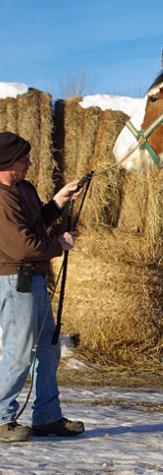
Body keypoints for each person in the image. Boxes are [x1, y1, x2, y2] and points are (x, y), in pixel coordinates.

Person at [0, 132, 85, 443]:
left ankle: (46, 418)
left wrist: (59, 201)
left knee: (48, 350)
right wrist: (58, 245)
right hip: (13, 281)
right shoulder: (1, 199)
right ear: (7, 162)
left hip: (34, 280)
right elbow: (23, 246)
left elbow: (38, 223)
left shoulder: (24, 189)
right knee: (18, 353)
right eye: (23, 159)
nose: (29, 163)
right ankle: (2, 418)